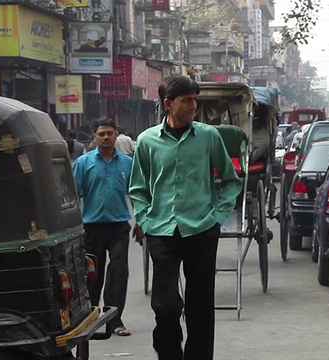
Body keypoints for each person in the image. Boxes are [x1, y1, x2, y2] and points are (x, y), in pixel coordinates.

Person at [129, 75, 242, 360]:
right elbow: (138, 188)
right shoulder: (146, 141)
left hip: (202, 230)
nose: (193, 105)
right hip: (161, 230)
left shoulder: (208, 136)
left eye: (195, 99)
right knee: (165, 305)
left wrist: (217, 216)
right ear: (169, 104)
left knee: (200, 305)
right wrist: (143, 218)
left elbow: (231, 180)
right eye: (186, 100)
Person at [72, 118, 135, 337]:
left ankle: (115, 320)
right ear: (95, 137)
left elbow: (136, 194)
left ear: (116, 135)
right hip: (92, 228)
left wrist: (142, 223)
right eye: (102, 134)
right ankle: (90, 317)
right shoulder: (84, 163)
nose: (106, 137)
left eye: (110, 133)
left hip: (119, 227)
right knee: (92, 275)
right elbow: (72, 195)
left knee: (118, 272)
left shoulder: (127, 163)